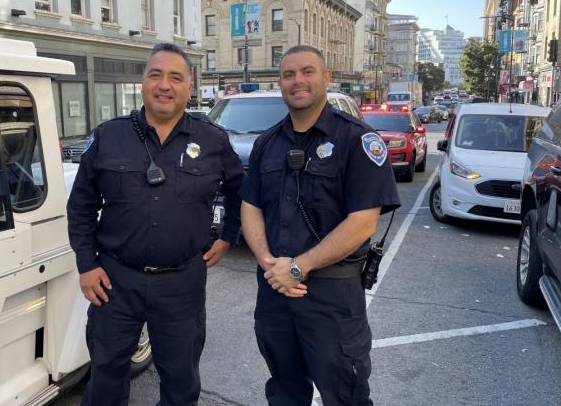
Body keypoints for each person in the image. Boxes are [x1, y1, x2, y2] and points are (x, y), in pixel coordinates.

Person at [67, 43, 244, 406]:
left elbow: (243, 193)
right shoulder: (109, 136)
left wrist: (228, 236)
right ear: (143, 82)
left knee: (180, 382)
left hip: (182, 283)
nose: (165, 85)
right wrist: (87, 264)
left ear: (189, 87)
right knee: (105, 378)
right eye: (156, 75)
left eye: (175, 77)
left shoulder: (212, 140)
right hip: (115, 281)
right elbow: (81, 205)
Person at [239, 45, 400, 405]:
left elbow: (362, 223)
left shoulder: (356, 140)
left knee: (345, 394)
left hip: (331, 297)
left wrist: (299, 267)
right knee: (284, 391)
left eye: (308, 71)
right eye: (289, 74)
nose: (298, 81)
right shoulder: (267, 143)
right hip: (275, 291)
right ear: (280, 82)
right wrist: (268, 261)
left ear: (326, 78)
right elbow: (250, 205)